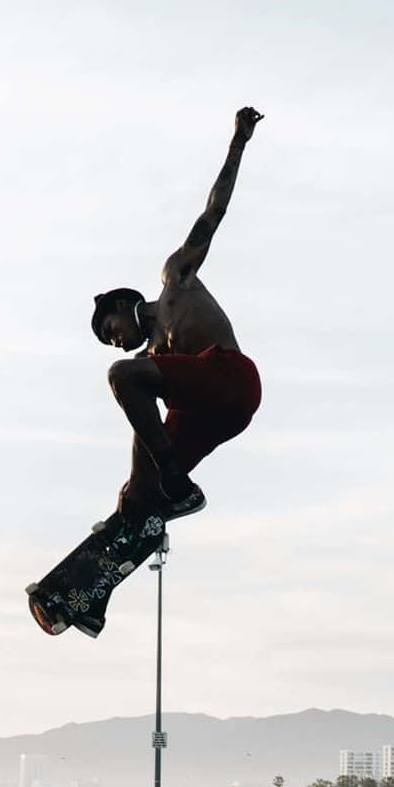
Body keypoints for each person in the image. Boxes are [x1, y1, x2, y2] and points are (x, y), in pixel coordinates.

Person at [91, 106, 265, 537]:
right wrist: (132, 492)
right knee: (137, 490)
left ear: (123, 302)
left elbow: (213, 212)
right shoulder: (154, 358)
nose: (117, 341)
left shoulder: (176, 281)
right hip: (208, 411)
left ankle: (172, 479)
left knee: (124, 376)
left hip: (232, 377)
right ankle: (91, 590)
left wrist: (238, 142)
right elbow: (145, 425)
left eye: (111, 330)